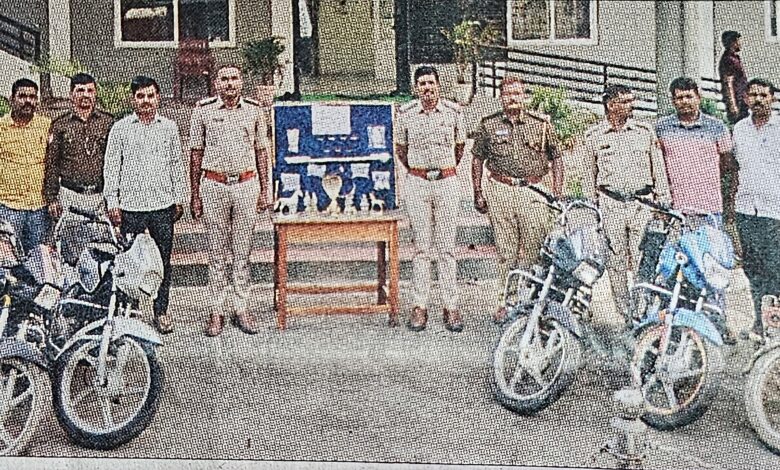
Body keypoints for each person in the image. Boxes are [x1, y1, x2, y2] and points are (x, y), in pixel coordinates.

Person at [471, 76, 563, 324]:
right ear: (501, 97)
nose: (513, 98)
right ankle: (505, 301)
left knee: (534, 250)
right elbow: (477, 159)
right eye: (507, 94)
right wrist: (477, 191)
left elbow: (556, 158)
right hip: (501, 189)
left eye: (517, 93)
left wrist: (556, 191)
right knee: (505, 251)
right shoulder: (488, 125)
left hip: (533, 191)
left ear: (524, 96)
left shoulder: (541, 124)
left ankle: (529, 300)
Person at [189, 65, 271, 337]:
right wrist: (195, 194)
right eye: (224, 79)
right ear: (216, 83)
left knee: (242, 252)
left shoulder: (254, 110)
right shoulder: (203, 110)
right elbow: (196, 153)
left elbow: (262, 152)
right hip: (214, 184)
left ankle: (241, 307)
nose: (230, 84)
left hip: (246, 184)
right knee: (216, 253)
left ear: (242, 82)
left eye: (234, 78)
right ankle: (217, 310)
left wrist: (265, 190)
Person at [579, 84, 671, 325]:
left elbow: (658, 170)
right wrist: (593, 211)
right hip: (611, 205)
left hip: (642, 205)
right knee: (616, 262)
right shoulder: (594, 136)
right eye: (625, 101)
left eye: (632, 100)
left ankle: (642, 313)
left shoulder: (644, 131)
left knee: (644, 260)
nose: (632, 106)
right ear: (610, 105)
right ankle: (626, 316)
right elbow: (588, 177)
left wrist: (663, 204)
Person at [103, 76, 188, 334]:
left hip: (162, 205)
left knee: (162, 261)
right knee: (131, 262)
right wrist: (112, 202)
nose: (146, 101)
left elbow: (176, 164)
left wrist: (179, 197)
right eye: (140, 96)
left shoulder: (169, 128)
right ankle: (132, 313)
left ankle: (160, 311)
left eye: (150, 95)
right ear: (133, 99)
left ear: (158, 97)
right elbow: (111, 167)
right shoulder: (120, 128)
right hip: (131, 207)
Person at [395, 65, 465, 332]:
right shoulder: (406, 114)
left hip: (446, 181)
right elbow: (401, 149)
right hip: (418, 182)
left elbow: (459, 148)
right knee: (421, 249)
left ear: (439, 85)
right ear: (416, 88)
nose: (427, 88)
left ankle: (451, 306)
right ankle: (419, 306)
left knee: (446, 248)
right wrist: (420, 170)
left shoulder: (453, 112)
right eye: (422, 84)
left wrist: (442, 169)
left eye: (431, 83)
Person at [44, 73, 114, 263]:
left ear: (95, 93)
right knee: (69, 251)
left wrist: (114, 199)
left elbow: (115, 162)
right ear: (71, 94)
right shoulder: (60, 125)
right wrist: (52, 198)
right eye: (80, 90)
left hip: (99, 197)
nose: (85, 95)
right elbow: (52, 164)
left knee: (101, 251)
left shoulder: (108, 123)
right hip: (70, 195)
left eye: (90, 90)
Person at [733, 78, 780, 342]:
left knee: (775, 269)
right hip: (746, 210)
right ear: (746, 99)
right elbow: (734, 168)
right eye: (753, 95)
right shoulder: (740, 129)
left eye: (764, 95)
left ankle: (775, 326)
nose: (758, 100)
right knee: (753, 269)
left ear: (772, 98)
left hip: (775, 211)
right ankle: (759, 324)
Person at [655, 77, 736, 225]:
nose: (684, 101)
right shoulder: (662, 127)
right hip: (674, 208)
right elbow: (658, 163)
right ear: (673, 101)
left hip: (709, 208)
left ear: (698, 98)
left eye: (689, 96)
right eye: (679, 98)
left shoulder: (717, 127)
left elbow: (727, 163)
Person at [0, 79, 52, 253]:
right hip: (8, 207)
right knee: (8, 260)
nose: (28, 101)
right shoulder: (1, 127)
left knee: (38, 259)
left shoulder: (46, 126)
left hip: (38, 208)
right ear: (11, 99)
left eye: (32, 97)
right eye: (22, 96)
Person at [718, 30, 749, 125]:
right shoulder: (729, 60)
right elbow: (728, 83)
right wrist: (733, 105)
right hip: (737, 100)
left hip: (742, 99)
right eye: (738, 41)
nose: (740, 43)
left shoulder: (735, 58)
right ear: (732, 42)